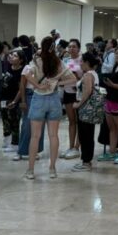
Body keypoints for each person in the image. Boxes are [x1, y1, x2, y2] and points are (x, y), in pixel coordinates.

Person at [24, 37, 76, 180]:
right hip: (54, 99)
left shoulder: (36, 60)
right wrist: (58, 82)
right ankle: (52, 168)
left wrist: (38, 85)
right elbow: (73, 79)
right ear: (54, 47)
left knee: (35, 136)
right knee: (53, 135)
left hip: (39, 98)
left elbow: (26, 74)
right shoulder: (58, 62)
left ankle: (30, 170)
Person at [72, 53, 102, 172]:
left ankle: (86, 161)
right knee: (87, 134)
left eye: (81, 61)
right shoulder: (92, 74)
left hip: (86, 108)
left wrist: (79, 104)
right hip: (89, 108)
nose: (80, 64)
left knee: (85, 135)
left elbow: (88, 91)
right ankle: (86, 160)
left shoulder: (89, 75)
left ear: (87, 62)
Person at [60, 39, 83, 159]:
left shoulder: (82, 60)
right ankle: (70, 146)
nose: (71, 49)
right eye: (69, 47)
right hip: (67, 92)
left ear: (78, 48)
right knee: (71, 120)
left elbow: (85, 76)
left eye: (74, 46)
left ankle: (77, 147)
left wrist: (77, 77)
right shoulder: (66, 61)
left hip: (78, 93)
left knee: (79, 121)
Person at [0, 49, 24, 152]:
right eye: (11, 55)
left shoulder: (21, 72)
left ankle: (15, 144)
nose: (11, 57)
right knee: (5, 120)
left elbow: (21, 89)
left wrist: (15, 101)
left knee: (14, 121)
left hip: (14, 99)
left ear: (21, 60)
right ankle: (6, 140)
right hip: (4, 98)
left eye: (14, 56)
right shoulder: (8, 67)